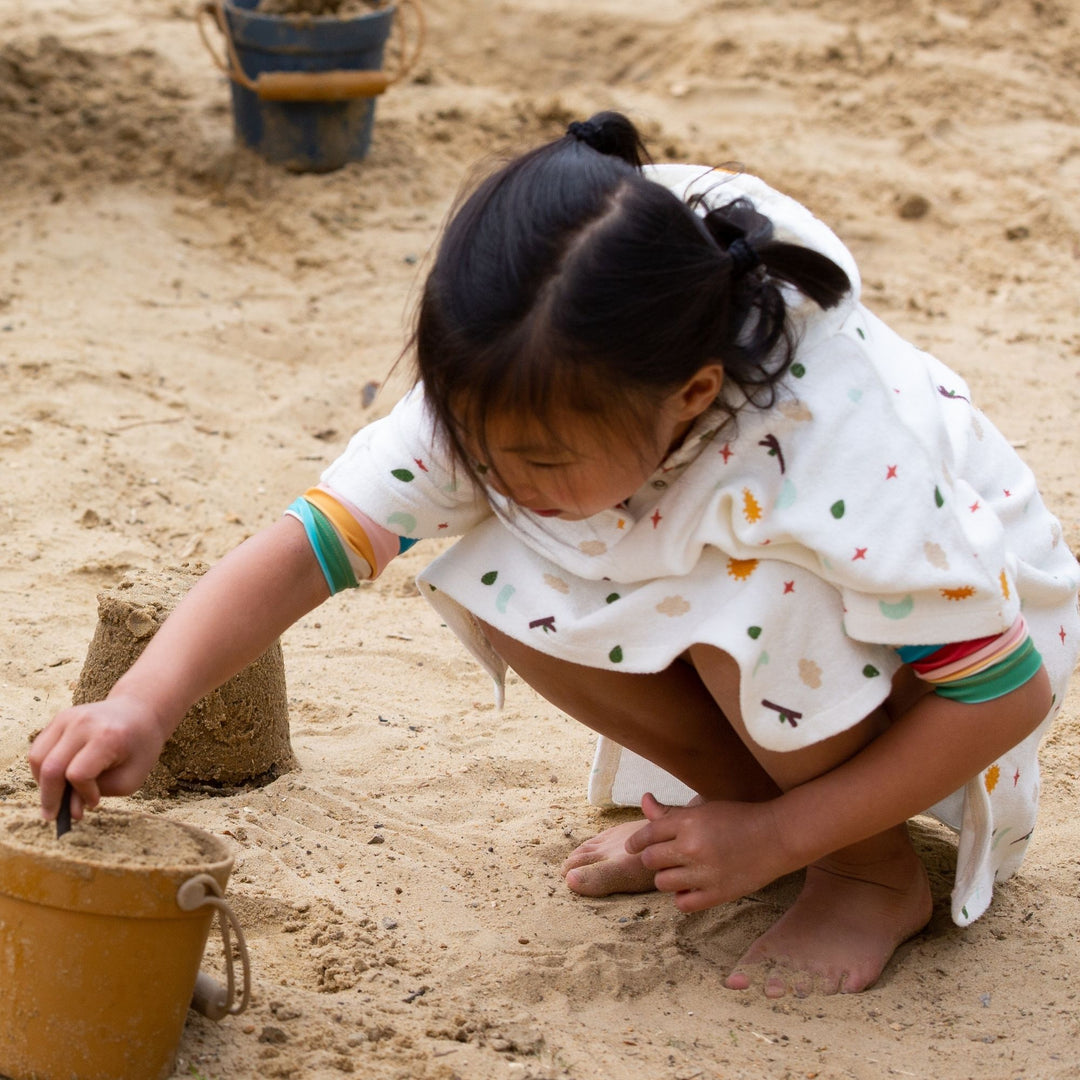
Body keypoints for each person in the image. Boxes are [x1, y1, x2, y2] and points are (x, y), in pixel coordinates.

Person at [30, 112, 1079, 998]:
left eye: (532, 458)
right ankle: (756, 819)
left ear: (694, 396)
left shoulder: (835, 449)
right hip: (756, 595)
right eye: (470, 440)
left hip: (944, 646)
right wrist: (146, 704)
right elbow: (316, 541)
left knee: (751, 606)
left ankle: (862, 871)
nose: (490, 470)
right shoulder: (516, 384)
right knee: (507, 572)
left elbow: (1005, 693)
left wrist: (790, 838)